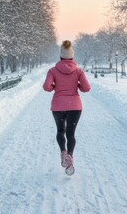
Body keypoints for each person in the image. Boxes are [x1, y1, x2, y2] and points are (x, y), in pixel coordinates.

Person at [43, 40, 90, 176]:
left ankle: (63, 151)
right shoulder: (78, 71)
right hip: (75, 106)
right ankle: (70, 155)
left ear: (60, 56)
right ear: (72, 56)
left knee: (60, 131)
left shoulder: (52, 71)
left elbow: (46, 87)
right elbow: (86, 88)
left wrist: (54, 87)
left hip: (58, 106)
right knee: (71, 133)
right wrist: (78, 86)